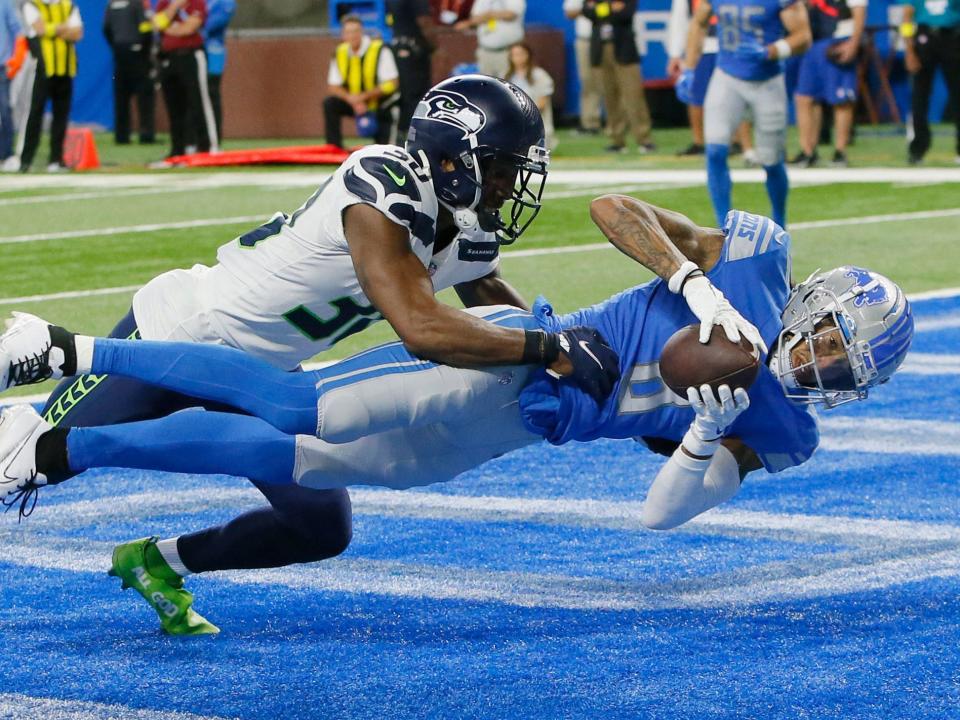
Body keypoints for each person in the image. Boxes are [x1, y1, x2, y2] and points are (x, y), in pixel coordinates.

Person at [0, 196, 913, 634]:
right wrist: (692, 284)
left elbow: (660, 514)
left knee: (303, 466)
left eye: (844, 366)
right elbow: (615, 208)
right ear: (813, 304)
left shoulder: (787, 432)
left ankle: (101, 490)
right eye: (831, 340)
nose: (822, 364)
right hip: (513, 358)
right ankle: (70, 362)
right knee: (299, 401)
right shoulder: (753, 263)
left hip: (513, 432)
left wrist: (710, 429)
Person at [0, 75, 617, 635]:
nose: (512, 185)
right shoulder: (385, 180)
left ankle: (155, 562)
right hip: (180, 335)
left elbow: (497, 313)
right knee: (24, 459)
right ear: (451, 155)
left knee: (320, 528)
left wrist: (587, 351)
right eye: (503, 166)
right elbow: (422, 327)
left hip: (261, 377)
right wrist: (549, 347)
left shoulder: (467, 221)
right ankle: (50, 350)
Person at [678, 0, 811, 227]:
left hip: (767, 81)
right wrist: (688, 68)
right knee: (715, 151)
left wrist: (772, 51)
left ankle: (779, 221)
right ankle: (724, 227)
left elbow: (803, 37)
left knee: (771, 161)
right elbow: (699, 23)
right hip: (727, 75)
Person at [667, 0, 757, 163]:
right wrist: (678, 54)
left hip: (731, 46)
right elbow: (683, 21)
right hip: (705, 47)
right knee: (696, 97)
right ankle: (700, 142)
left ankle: (745, 146)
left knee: (739, 96)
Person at [790, 0, 865, 168]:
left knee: (841, 100)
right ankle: (808, 150)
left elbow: (859, 10)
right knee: (805, 97)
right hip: (813, 40)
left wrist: (854, 42)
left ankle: (840, 151)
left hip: (838, 39)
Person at [17, 0, 84, 173]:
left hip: (65, 68)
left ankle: (56, 159)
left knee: (61, 115)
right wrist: (63, 28)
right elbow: (39, 29)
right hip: (42, 68)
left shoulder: (68, 5)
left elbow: (77, 33)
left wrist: (51, 29)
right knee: (35, 113)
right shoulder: (32, 4)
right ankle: (26, 159)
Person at [583, 0, 656, 153]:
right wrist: (610, 8)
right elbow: (587, 12)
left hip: (624, 50)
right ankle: (617, 140)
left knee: (634, 95)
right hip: (601, 49)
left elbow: (626, 13)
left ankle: (644, 139)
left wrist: (600, 9)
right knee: (609, 97)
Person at [323, 14, 400, 149]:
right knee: (330, 104)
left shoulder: (379, 49)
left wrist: (363, 97)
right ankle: (334, 147)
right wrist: (351, 99)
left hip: (378, 102)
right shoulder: (340, 52)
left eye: (355, 31)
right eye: (348, 32)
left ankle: (384, 143)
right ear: (343, 35)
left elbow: (392, 83)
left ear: (362, 32)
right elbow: (333, 86)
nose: (352, 36)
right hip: (353, 102)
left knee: (381, 148)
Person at [154, 0, 218, 158]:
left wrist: (170, 28)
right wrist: (174, 7)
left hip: (191, 55)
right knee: (174, 107)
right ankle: (178, 149)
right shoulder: (165, 3)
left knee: (198, 102)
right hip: (168, 58)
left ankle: (207, 146)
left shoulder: (197, 3)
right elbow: (157, 25)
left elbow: (190, 28)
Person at [902, 0, 960, 165]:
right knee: (919, 96)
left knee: (958, 95)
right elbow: (907, 16)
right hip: (924, 36)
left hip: (953, 36)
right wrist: (909, 50)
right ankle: (917, 149)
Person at [103, 0, 155, 145]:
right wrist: (145, 50)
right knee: (145, 96)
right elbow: (145, 29)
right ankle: (146, 134)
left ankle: (121, 136)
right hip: (138, 53)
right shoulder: (136, 4)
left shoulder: (111, 5)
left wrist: (117, 46)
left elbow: (106, 29)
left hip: (120, 53)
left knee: (121, 97)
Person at [385, 0, 437, 140]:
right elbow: (423, 21)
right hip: (415, 51)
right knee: (418, 95)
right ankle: (415, 135)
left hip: (397, 47)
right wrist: (435, 46)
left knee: (404, 93)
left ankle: (401, 133)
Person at [455, 0, 525, 79]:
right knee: (485, 84)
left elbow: (511, 14)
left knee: (508, 85)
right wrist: (491, 15)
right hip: (485, 50)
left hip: (508, 51)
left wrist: (489, 15)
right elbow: (475, 17)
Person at [506, 42, 556, 150]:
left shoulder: (540, 75)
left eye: (521, 54)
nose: (518, 58)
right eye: (514, 55)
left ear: (528, 55)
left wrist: (523, 117)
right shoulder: (505, 77)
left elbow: (542, 103)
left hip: (535, 124)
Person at [563, 0, 602, 135]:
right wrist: (588, 8)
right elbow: (569, 12)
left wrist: (597, 8)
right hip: (585, 39)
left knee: (612, 81)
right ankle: (590, 123)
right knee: (587, 81)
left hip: (607, 39)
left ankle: (618, 123)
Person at [203, 0, 235, 144]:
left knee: (211, 93)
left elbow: (211, 25)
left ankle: (214, 139)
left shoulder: (224, 3)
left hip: (214, 52)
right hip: (192, 51)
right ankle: (191, 140)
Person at [0, 0, 22, 166]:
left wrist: (16, 60)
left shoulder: (4, 3)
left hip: (2, 67)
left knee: (5, 110)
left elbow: (19, 32)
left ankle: (6, 154)